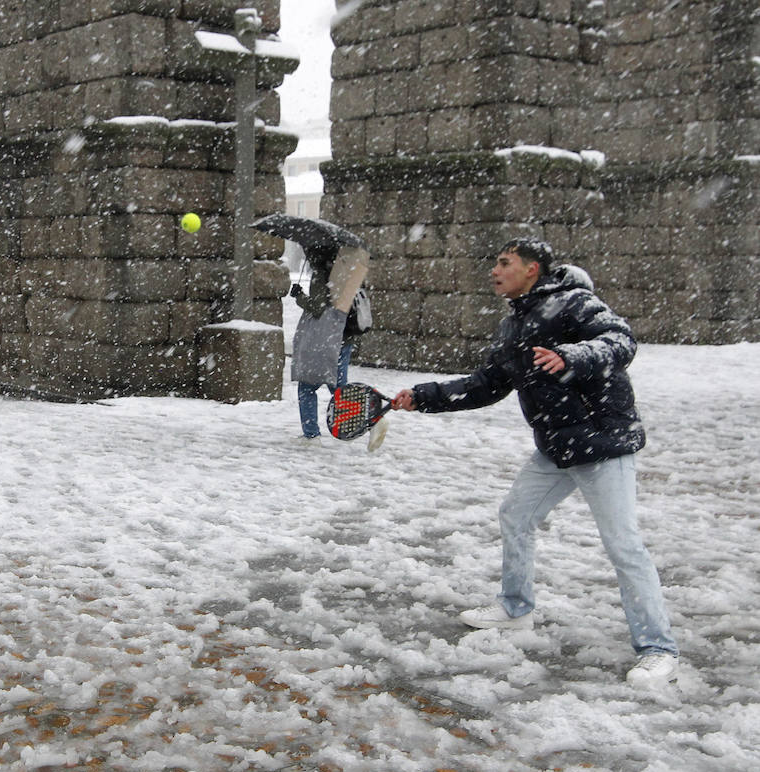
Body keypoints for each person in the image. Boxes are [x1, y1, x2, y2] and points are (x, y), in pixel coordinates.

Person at [390, 237, 679, 688]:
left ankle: (659, 649)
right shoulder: (514, 326)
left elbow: (621, 340)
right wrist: (422, 397)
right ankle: (515, 608)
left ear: (532, 269)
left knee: (623, 545)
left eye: (504, 263)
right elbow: (486, 384)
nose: (494, 270)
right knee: (516, 515)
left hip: (602, 442)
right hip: (555, 448)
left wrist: (571, 356)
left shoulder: (574, 303)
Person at [291, 273, 372, 440]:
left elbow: (318, 307)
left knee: (307, 386)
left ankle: (311, 435)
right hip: (345, 338)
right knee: (339, 387)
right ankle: (371, 422)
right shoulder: (350, 269)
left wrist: (299, 296)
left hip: (328, 338)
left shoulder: (326, 272)